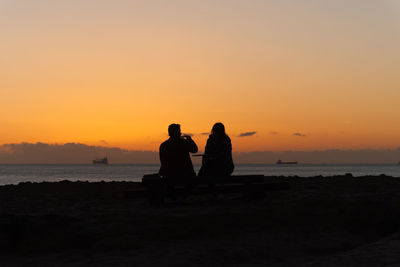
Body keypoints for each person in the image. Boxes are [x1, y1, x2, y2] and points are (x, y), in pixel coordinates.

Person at [159, 123, 198, 198]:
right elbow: (195, 150)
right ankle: (184, 195)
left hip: (168, 174)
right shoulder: (183, 143)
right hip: (185, 174)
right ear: (176, 133)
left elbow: (162, 160)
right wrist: (190, 140)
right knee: (193, 180)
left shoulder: (163, 145)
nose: (180, 133)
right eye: (179, 131)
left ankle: (173, 195)